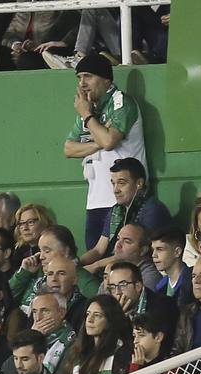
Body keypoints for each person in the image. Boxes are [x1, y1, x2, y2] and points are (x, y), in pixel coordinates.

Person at [63, 54, 148, 250]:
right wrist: (97, 141)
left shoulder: (121, 102)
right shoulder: (90, 111)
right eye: (79, 78)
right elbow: (68, 148)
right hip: (95, 201)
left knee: (119, 262)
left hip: (122, 200)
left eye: (88, 76)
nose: (82, 83)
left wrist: (86, 115)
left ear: (106, 79)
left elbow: (109, 141)